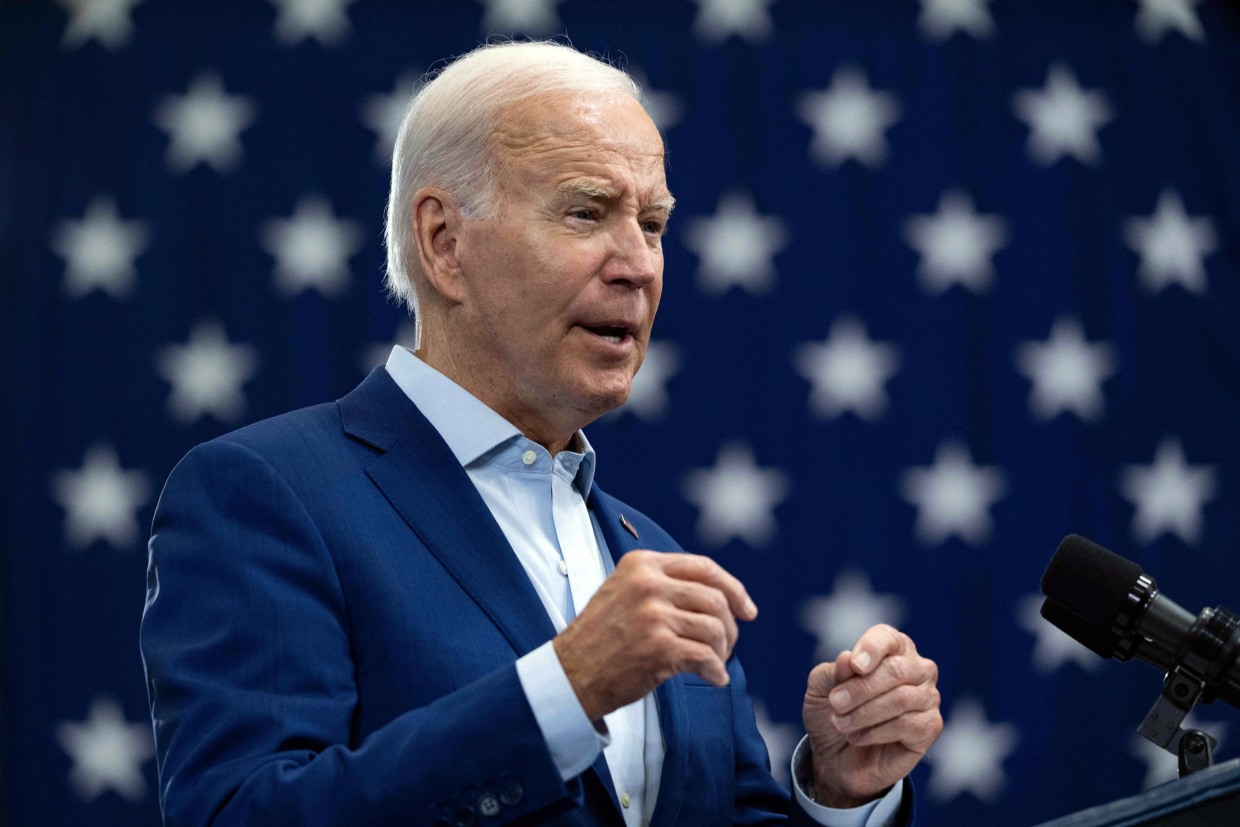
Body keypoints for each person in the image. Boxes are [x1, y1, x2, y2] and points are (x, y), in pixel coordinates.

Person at [140, 41, 942, 826]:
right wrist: (565, 688)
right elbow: (241, 811)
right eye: (586, 212)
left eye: (654, 223)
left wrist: (837, 794)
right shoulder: (269, 494)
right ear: (443, 243)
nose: (639, 264)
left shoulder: (647, 549)